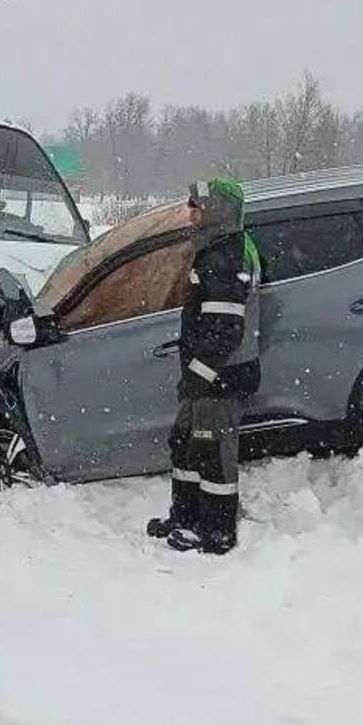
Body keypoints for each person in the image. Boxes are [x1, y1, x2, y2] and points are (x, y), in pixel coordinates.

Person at [147, 176, 261, 555]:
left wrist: (200, 374)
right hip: (205, 375)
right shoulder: (215, 250)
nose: (189, 213)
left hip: (220, 376)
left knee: (213, 454)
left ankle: (216, 533)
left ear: (217, 211)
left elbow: (226, 332)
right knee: (184, 444)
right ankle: (186, 517)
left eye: (196, 205)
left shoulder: (226, 257)